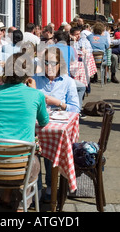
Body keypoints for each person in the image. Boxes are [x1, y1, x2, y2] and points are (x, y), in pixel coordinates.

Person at [0, 52, 50, 210]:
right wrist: (34, 91)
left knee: (9, 149)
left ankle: (7, 196)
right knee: (33, 158)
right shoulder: (36, 95)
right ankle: (23, 205)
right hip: (22, 164)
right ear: (29, 73)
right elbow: (44, 121)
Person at [33, 47, 80, 202]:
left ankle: (51, 189)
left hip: (57, 128)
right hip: (38, 126)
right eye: (46, 63)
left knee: (51, 152)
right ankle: (36, 188)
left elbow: (76, 108)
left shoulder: (67, 81)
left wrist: (58, 103)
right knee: (34, 152)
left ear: (60, 64)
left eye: (53, 63)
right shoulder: (35, 79)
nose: (50, 66)